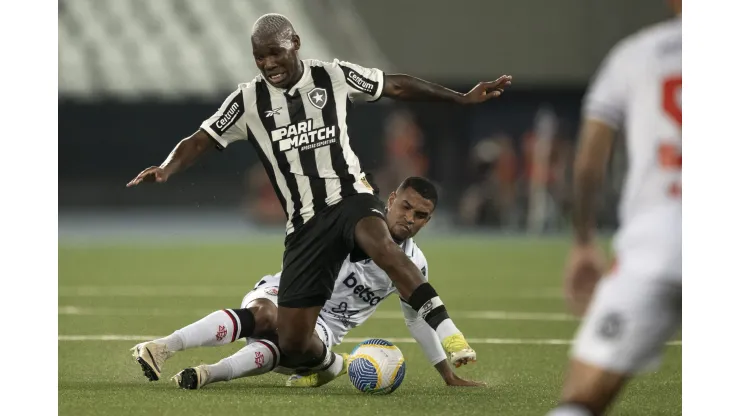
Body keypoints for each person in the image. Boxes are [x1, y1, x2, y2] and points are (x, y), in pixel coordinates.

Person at [127, 12, 513, 386]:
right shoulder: (248, 101)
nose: (269, 63)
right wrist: (167, 167)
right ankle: (325, 363)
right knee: (293, 342)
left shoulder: (332, 75)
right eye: (260, 57)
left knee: (387, 249)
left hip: (350, 198)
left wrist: (459, 98)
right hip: (305, 225)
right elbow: (201, 139)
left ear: (295, 44)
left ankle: (451, 332)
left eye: (275, 52)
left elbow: (394, 85)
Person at [131, 177, 484, 389]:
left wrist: (446, 374)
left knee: (293, 344)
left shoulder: (414, 263)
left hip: (325, 328)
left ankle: (209, 374)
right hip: (287, 292)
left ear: (428, 220)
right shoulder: (355, 218)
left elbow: (416, 319)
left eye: (420, 215)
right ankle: (163, 346)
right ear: (391, 200)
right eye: (405, 207)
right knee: (266, 314)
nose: (409, 218)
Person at [547, 2, 681, 415]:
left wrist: (584, 239)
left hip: (656, 242)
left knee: (582, 398)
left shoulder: (635, 54)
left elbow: (589, 162)